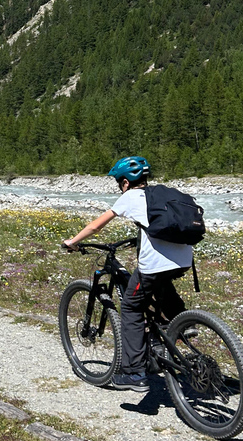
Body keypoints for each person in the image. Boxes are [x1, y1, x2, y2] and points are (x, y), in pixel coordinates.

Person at [62, 156, 193, 392]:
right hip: (184, 259)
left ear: (125, 182)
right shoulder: (160, 194)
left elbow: (96, 226)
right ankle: (181, 323)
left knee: (131, 307)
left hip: (155, 264)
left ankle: (134, 374)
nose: (118, 186)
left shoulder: (131, 196)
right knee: (159, 285)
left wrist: (73, 242)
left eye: (118, 182)